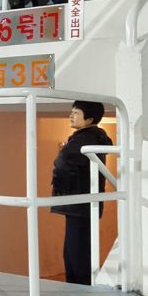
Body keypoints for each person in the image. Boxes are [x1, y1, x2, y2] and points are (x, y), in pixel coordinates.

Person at [50, 101, 113, 285]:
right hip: (82, 204)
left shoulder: (86, 138)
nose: (71, 115)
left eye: (76, 113)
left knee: (76, 256)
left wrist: (62, 186)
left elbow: (64, 161)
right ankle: (78, 291)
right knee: (74, 253)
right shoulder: (90, 137)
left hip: (80, 203)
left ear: (90, 119)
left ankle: (80, 294)